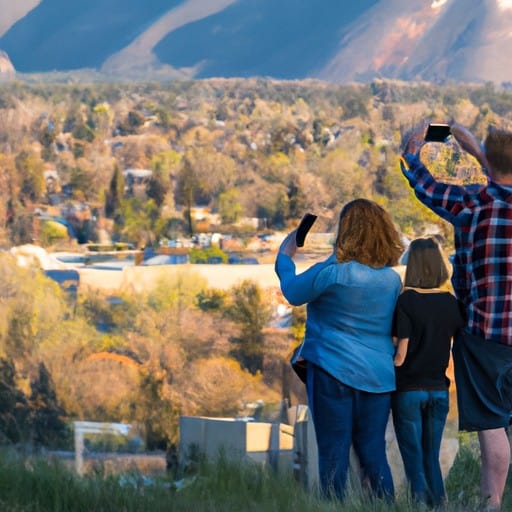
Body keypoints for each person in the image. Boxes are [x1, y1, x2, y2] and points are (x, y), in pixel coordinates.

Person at [401, 122, 512, 511]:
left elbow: (423, 184)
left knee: (492, 423)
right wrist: (483, 157)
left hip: (484, 333)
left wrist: (414, 147)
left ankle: (492, 502)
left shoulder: (473, 204)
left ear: (488, 161)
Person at [275, 198, 404, 501]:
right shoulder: (391, 280)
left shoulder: (333, 273)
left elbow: (292, 291)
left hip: (332, 373)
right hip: (378, 379)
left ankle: (333, 507)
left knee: (334, 454)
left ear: (346, 232)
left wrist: (286, 252)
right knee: (373, 455)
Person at [391, 236, 464, 507]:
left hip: (409, 390)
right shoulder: (450, 302)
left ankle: (418, 506)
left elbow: (400, 356)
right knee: (431, 456)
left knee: (413, 459)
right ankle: (440, 505)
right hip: (439, 391)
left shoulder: (406, 301)